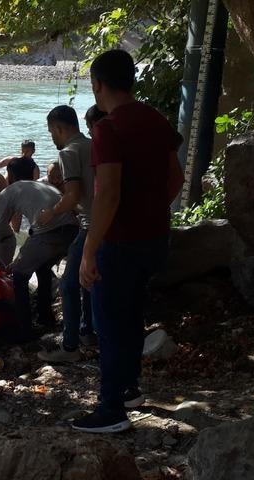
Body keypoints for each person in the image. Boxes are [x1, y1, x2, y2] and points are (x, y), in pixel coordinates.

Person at [75, 49, 184, 433]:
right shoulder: (157, 120)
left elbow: (108, 194)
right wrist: (152, 212)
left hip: (119, 242)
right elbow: (177, 180)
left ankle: (110, 410)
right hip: (155, 238)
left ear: (98, 84)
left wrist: (89, 251)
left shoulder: (108, 129)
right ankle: (130, 390)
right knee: (133, 314)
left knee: (108, 325)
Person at [0, 157, 78, 343]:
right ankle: (45, 316)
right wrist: (21, 256)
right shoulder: (46, 187)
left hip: (49, 234)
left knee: (19, 275)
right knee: (42, 266)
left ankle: (24, 329)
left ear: (10, 175)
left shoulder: (8, 192)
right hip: (73, 232)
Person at [36, 105, 97, 363]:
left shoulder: (69, 152)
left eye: (52, 131)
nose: (52, 137)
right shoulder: (93, 144)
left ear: (60, 128)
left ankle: (70, 346)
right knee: (89, 281)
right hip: (105, 222)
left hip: (90, 225)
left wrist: (50, 213)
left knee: (69, 284)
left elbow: (72, 195)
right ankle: (87, 332)